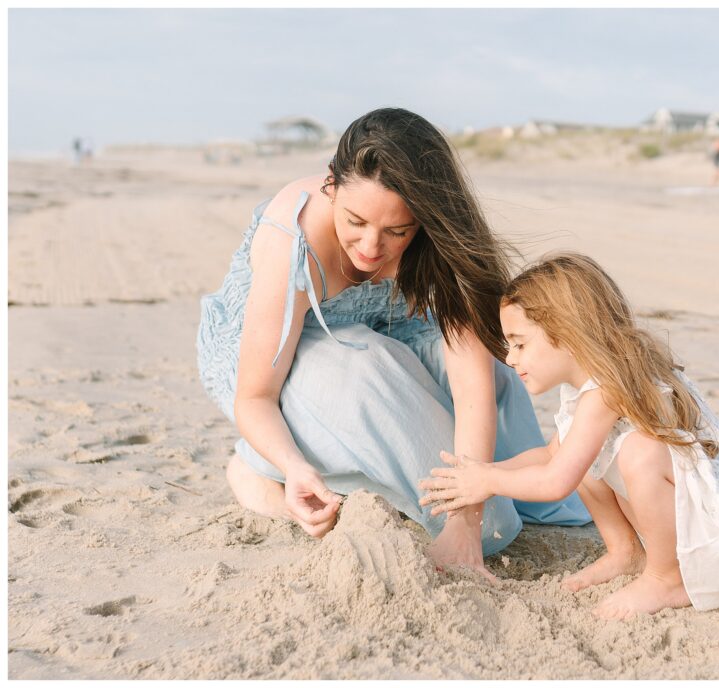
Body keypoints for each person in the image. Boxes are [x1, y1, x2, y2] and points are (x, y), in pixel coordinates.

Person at [196, 108, 590, 580]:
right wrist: (295, 468)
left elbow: (471, 390)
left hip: (388, 332)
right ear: (330, 186)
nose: (369, 247)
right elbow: (255, 395)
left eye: (397, 231)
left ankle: (366, 464)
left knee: (496, 380)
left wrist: (465, 521)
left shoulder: (441, 242)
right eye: (355, 221)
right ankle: (259, 468)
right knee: (497, 527)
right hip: (278, 362)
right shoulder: (293, 240)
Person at [419, 253, 719, 632]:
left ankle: (667, 576)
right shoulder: (582, 386)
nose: (509, 357)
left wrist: (490, 481)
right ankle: (625, 552)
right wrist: (477, 472)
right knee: (582, 454)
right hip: (678, 515)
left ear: (567, 334)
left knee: (636, 452)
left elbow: (556, 481)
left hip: (710, 528)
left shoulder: (608, 387)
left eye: (520, 344)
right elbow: (554, 456)